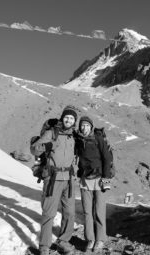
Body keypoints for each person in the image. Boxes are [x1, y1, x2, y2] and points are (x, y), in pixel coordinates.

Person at [31, 105, 78, 255]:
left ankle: (63, 241)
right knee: (49, 213)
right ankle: (44, 246)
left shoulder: (74, 136)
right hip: (53, 178)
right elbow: (34, 148)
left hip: (69, 179)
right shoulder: (52, 133)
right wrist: (48, 145)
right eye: (67, 117)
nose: (69, 120)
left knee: (70, 213)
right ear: (62, 118)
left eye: (71, 118)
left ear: (74, 121)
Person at [75, 116, 112, 252]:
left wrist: (106, 179)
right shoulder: (79, 141)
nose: (84, 128)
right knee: (87, 212)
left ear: (91, 126)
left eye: (86, 125)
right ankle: (90, 239)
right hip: (85, 181)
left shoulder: (98, 139)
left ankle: (100, 239)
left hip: (100, 180)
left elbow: (107, 159)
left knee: (99, 211)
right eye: (82, 125)